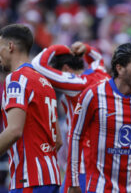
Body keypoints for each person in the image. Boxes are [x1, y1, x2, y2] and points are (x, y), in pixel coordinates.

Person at [66, 43, 131, 192]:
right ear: (119, 68)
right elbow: (76, 136)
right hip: (100, 187)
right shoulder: (93, 95)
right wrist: (73, 181)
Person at [31, 42, 110, 193]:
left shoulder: (77, 83)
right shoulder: (101, 74)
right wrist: (86, 48)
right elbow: (97, 57)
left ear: (66, 70)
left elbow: (37, 65)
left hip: (82, 166)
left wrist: (58, 47)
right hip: (106, 163)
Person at [0, 24, 61, 191]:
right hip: (51, 177)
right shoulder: (45, 83)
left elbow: (13, 130)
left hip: (29, 180)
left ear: (10, 47)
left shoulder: (16, 79)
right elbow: (58, 141)